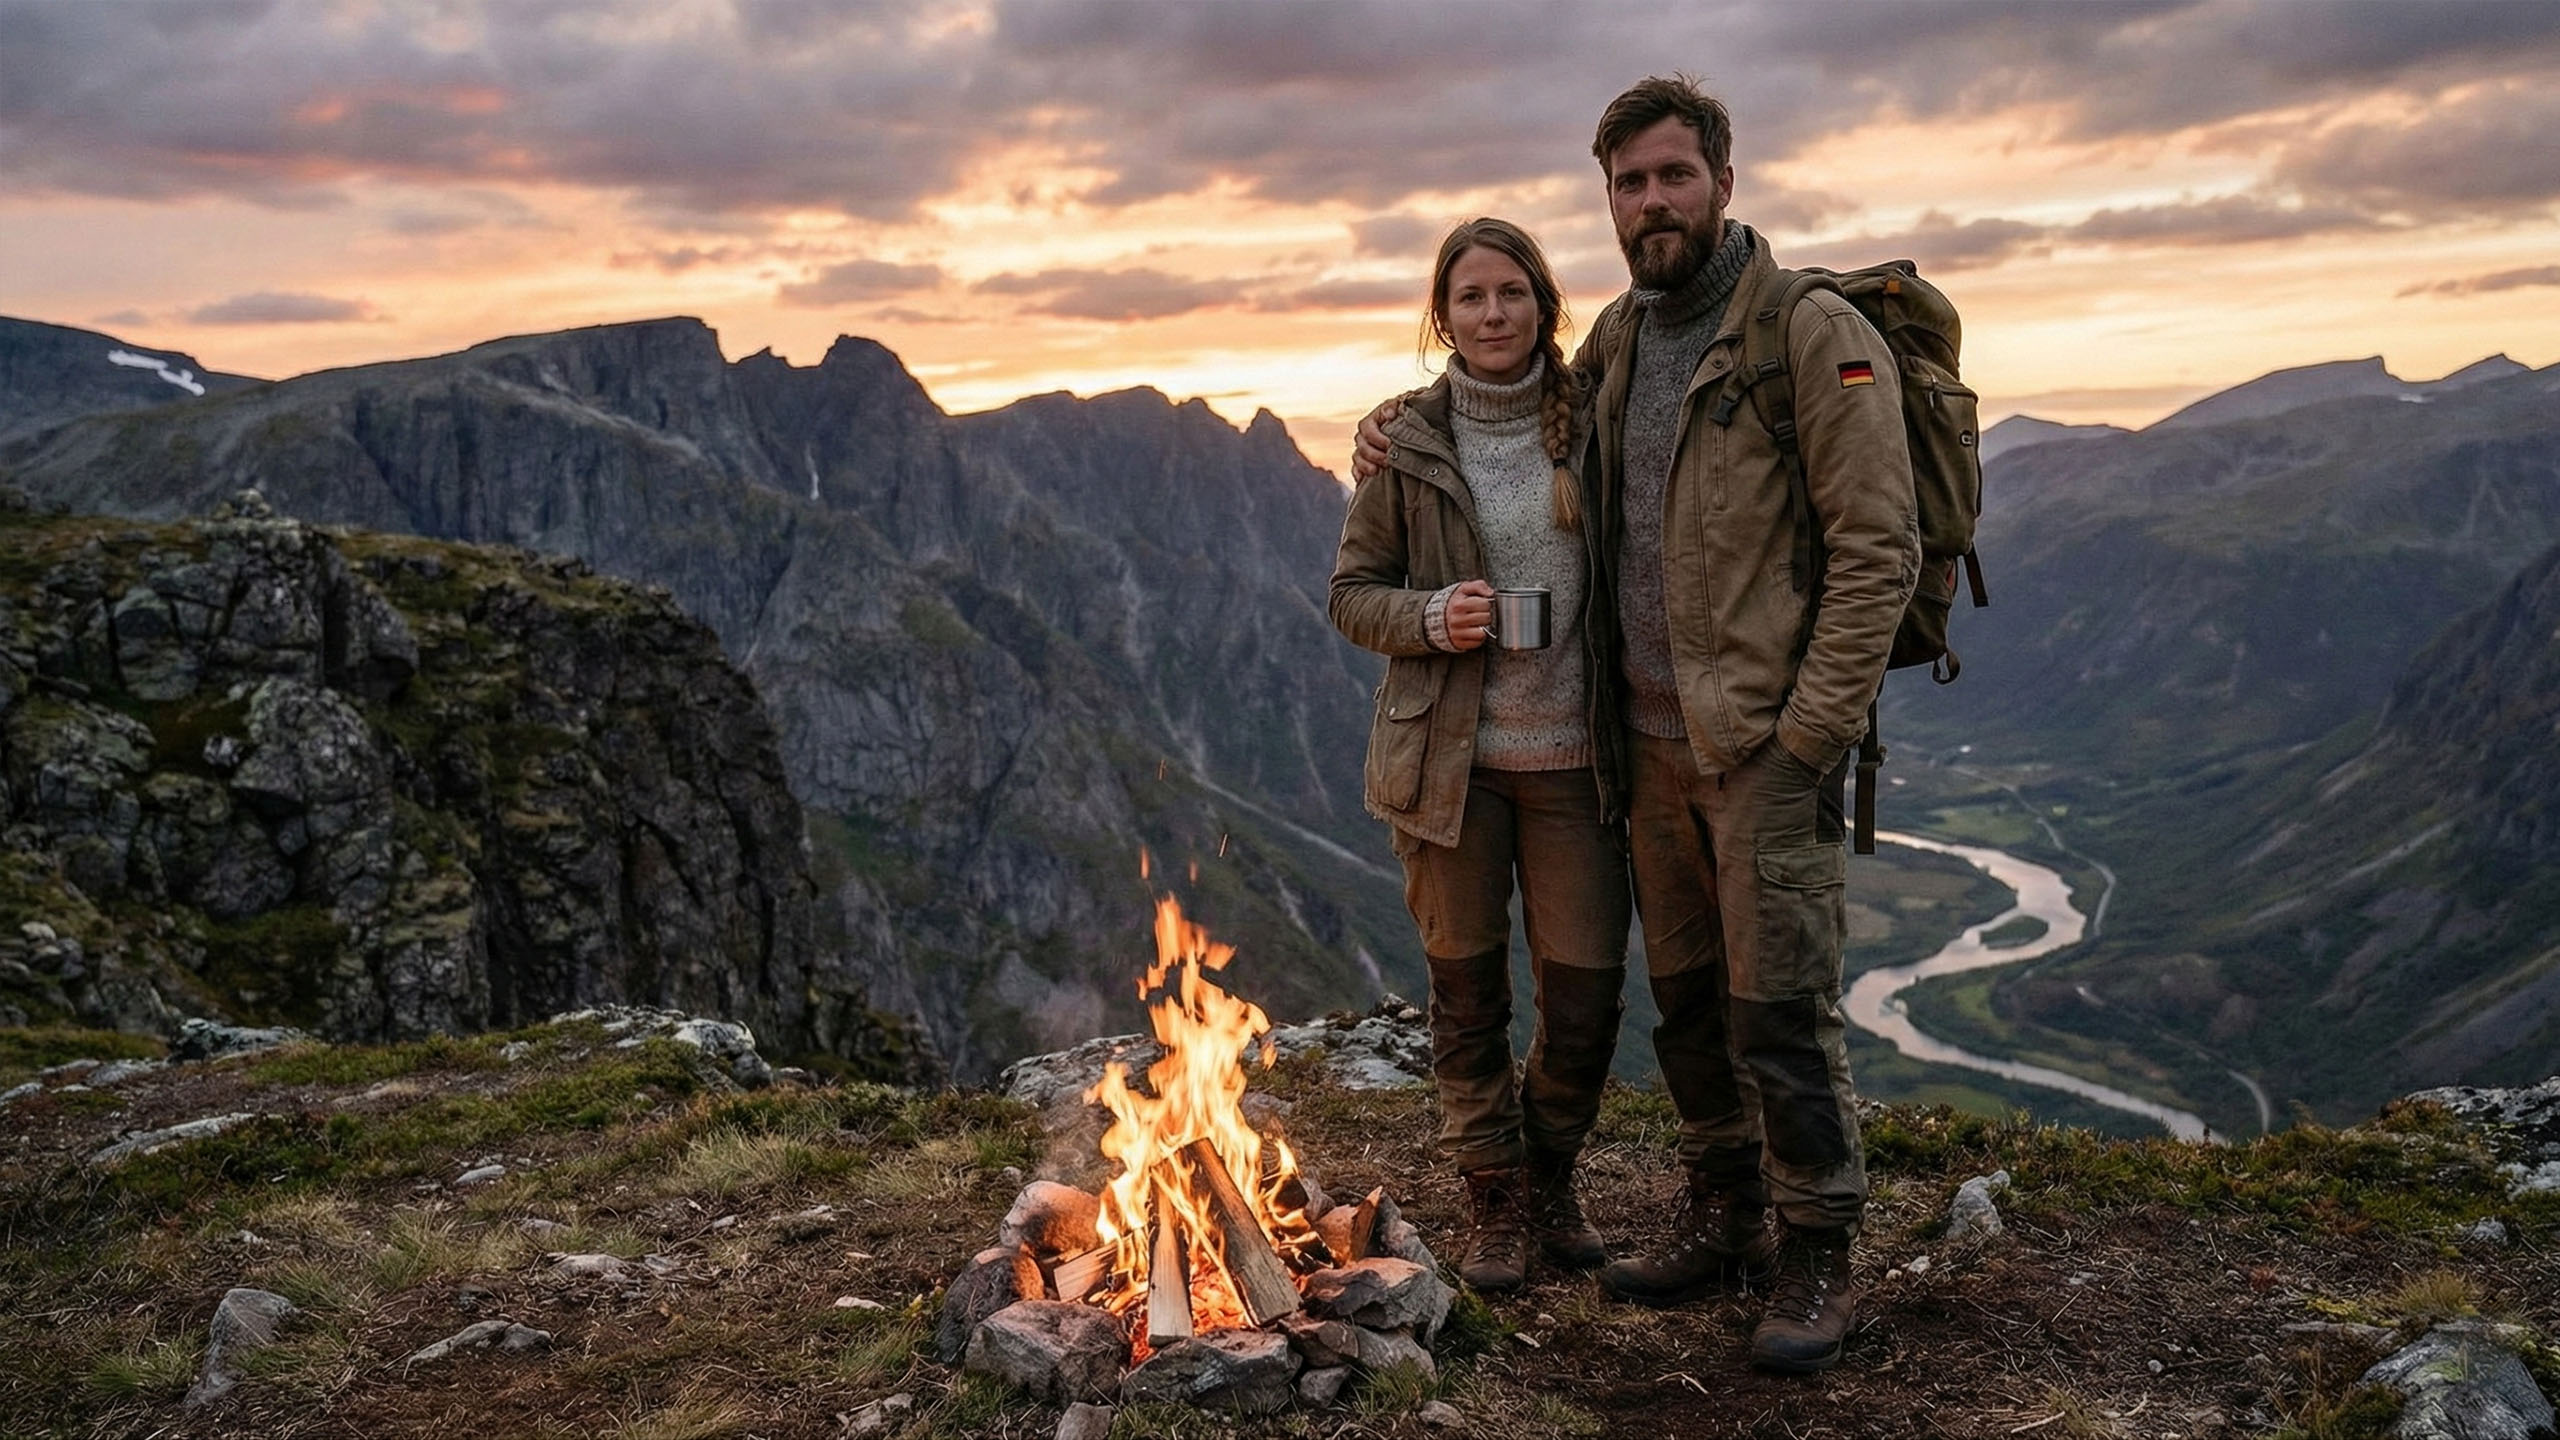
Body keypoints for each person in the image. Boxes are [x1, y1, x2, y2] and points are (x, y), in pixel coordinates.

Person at [1354, 76, 1919, 1374]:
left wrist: (1811, 735)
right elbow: (1504, 419)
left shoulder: (1799, 328)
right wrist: (1388, 428)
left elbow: (1876, 548)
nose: (1651, 201)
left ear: (1724, 178)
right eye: (1629, 183)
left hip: (1761, 744)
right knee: (1690, 1003)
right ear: (1608, 200)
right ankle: (1726, 1206)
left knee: (1781, 1001)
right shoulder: (1618, 342)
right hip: (1642, 749)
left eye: (1672, 175)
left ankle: (1820, 1245)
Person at [1328, 217, 1632, 1295]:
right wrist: (1428, 619)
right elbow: (1350, 595)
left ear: (1544, 306)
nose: (1492, 314)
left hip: (1577, 765)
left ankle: (1549, 1173)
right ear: (1441, 315)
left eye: (1511, 294)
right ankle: (1496, 1199)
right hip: (1445, 769)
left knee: (1585, 998)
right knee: (1465, 999)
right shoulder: (1407, 441)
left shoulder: (1597, 417)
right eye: (1470, 297)